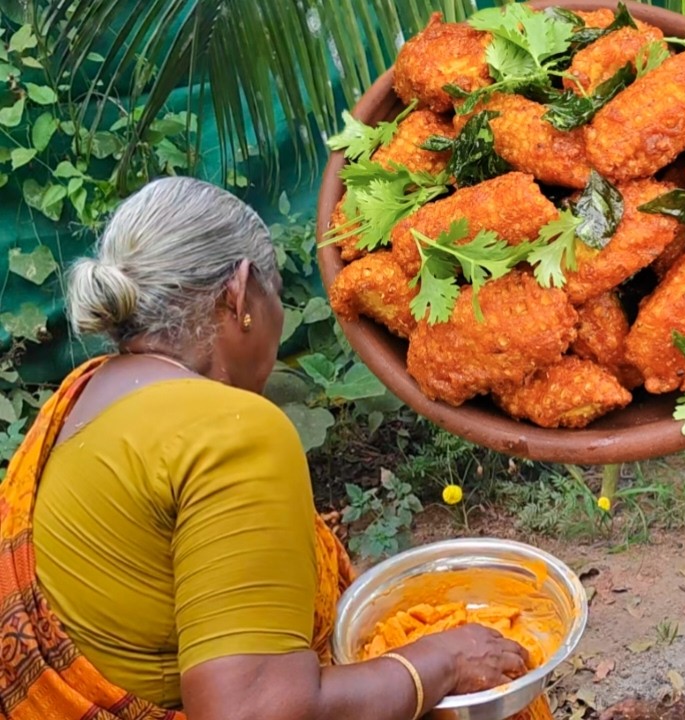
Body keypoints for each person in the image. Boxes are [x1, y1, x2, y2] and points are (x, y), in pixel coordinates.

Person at [0, 176, 531, 720]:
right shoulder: (230, 430)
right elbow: (252, 712)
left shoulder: (84, 396)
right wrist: (438, 661)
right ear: (240, 293)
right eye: (277, 293)